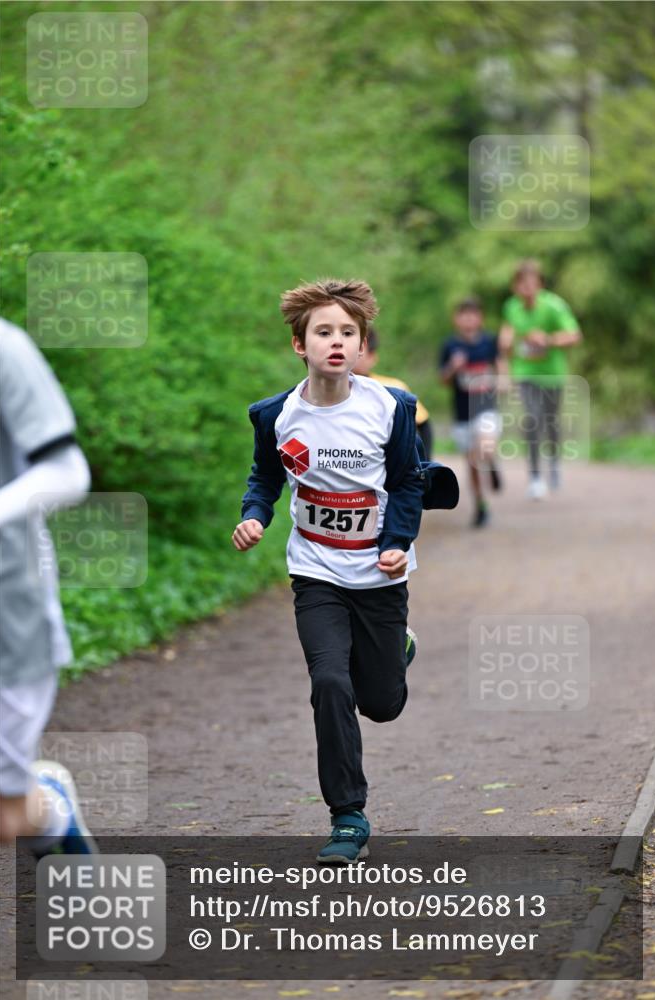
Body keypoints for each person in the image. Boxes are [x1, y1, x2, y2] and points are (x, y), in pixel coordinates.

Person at [232, 278, 457, 865]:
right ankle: (348, 815)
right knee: (330, 682)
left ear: (361, 347)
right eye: (323, 332)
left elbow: (410, 480)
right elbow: (265, 479)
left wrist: (397, 540)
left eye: (347, 333)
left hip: (379, 572)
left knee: (382, 703)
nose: (336, 342)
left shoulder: (391, 408)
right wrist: (254, 516)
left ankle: (396, 648)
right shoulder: (275, 415)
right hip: (315, 570)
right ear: (299, 345)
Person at [0, 316, 96, 856]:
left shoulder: (3, 349)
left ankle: (49, 805)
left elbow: (67, 472)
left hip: (7, 609)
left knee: (5, 819)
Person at [498, 260, 582, 499]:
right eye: (522, 284)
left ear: (540, 285)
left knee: (551, 421)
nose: (527, 289)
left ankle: (554, 462)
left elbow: (575, 335)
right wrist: (504, 344)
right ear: (515, 286)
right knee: (532, 420)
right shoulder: (511, 306)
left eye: (532, 284)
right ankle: (535, 477)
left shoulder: (554, 306)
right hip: (525, 373)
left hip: (552, 374)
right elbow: (508, 331)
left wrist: (547, 340)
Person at [439, 297, 503, 528]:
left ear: (480, 318)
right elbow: (443, 380)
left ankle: (492, 461)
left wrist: (504, 381)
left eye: (473, 315)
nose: (468, 320)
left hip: (486, 407)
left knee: (484, 447)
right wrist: (453, 367)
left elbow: (501, 365)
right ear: (456, 319)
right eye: (463, 315)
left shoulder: (489, 342)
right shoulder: (450, 346)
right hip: (462, 413)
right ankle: (480, 505)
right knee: (472, 463)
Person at [352, 324, 434, 460]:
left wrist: (425, 464)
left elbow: (424, 425)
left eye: (359, 349)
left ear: (373, 357)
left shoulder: (393, 388)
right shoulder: (326, 391)